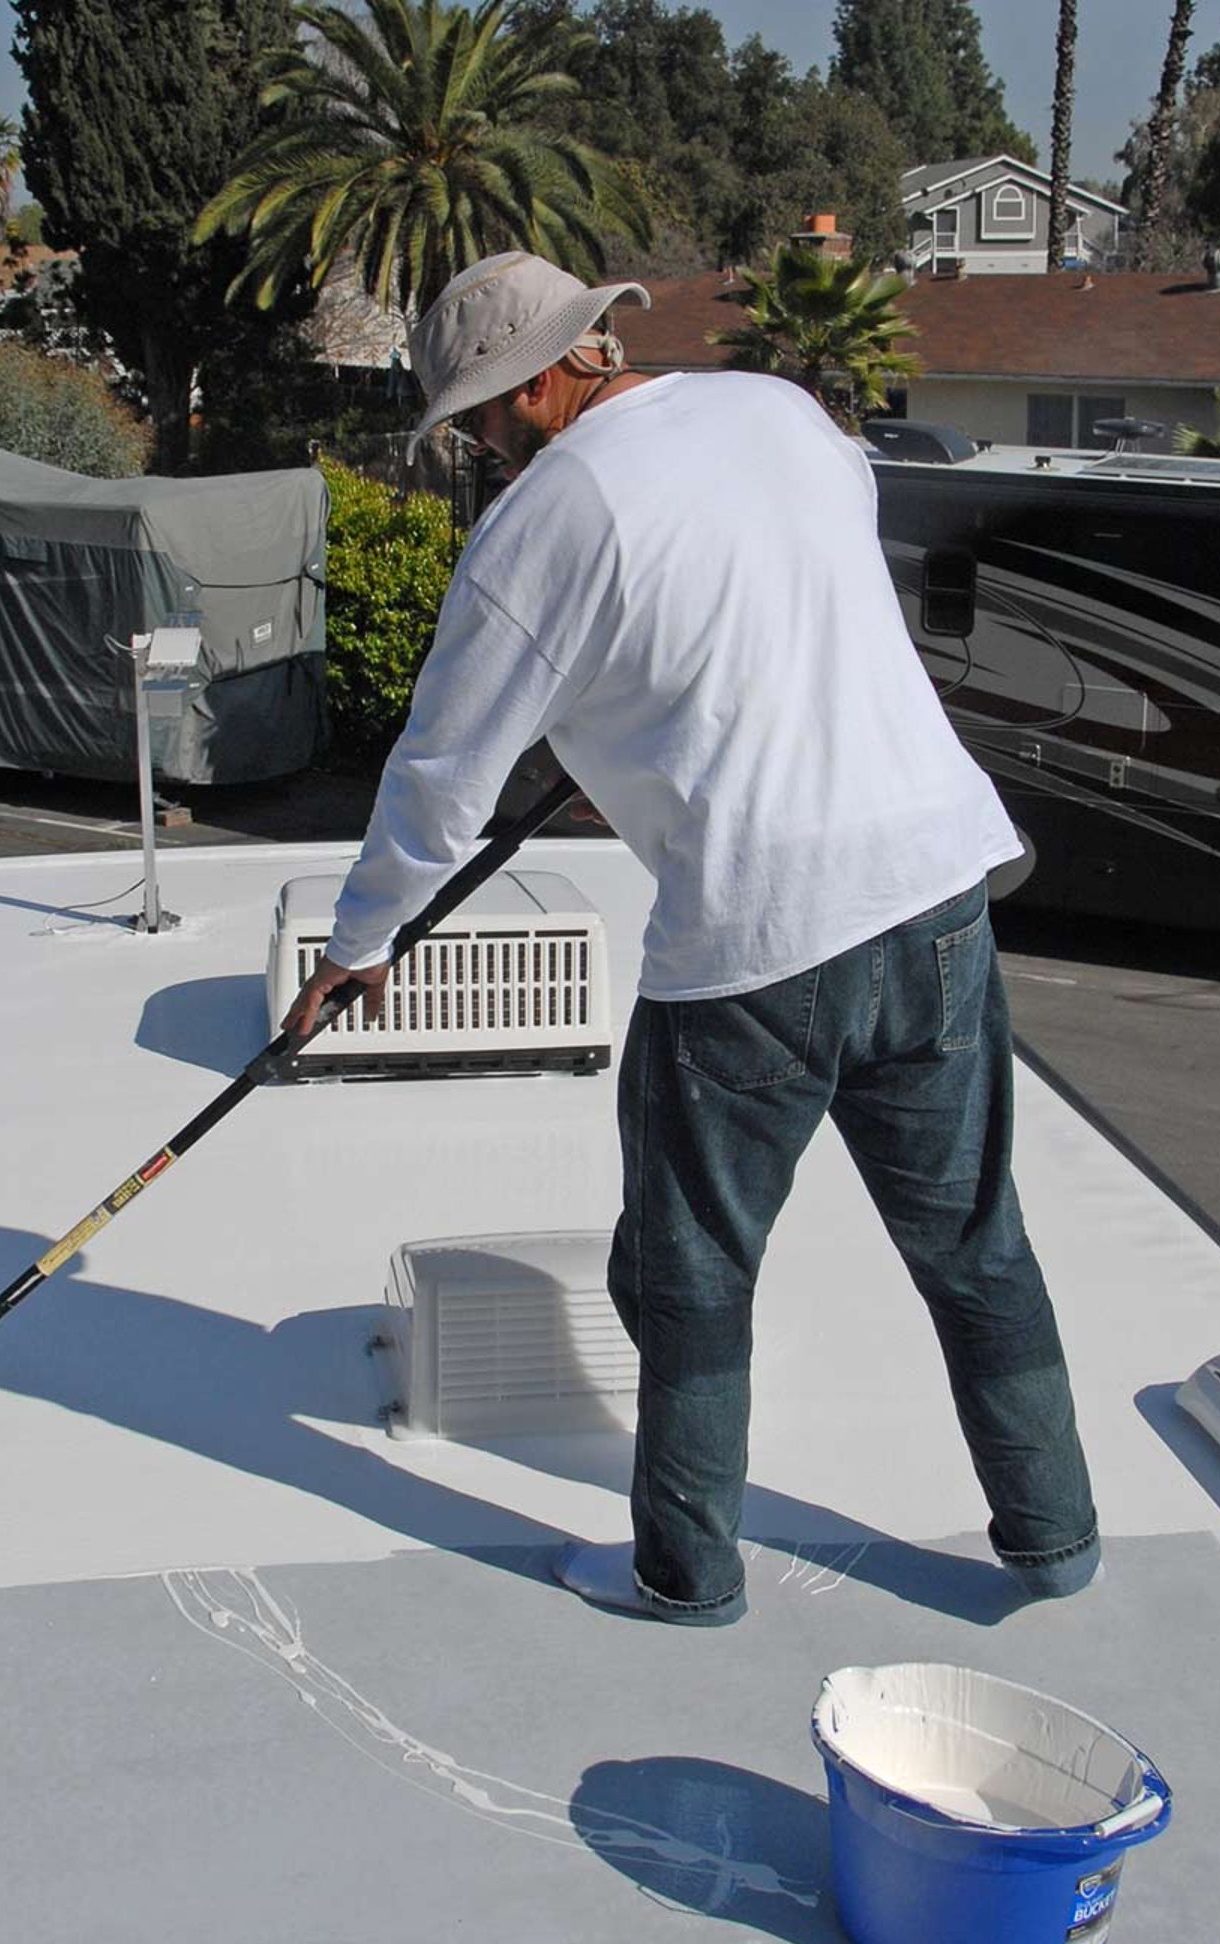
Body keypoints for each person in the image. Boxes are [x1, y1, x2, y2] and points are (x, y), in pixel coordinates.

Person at [287, 250, 1097, 1626]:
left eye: (480, 418)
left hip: (758, 944)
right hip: (937, 891)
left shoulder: (537, 529)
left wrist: (360, 946)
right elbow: (767, 579)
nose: (482, 449)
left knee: (691, 1275)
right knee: (977, 1247)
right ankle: (1057, 1539)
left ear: (542, 382)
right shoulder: (783, 411)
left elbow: (440, 779)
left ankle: (685, 1572)